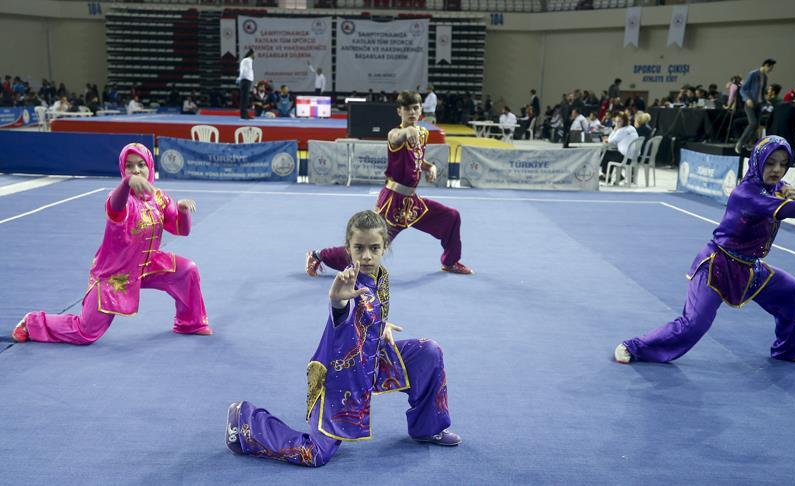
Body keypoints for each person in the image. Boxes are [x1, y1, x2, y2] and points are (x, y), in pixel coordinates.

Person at [226, 211, 461, 467]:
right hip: (339, 377)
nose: (367, 256)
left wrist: (381, 325)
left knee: (428, 351)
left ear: (385, 247)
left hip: (373, 362)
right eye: (359, 248)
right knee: (314, 454)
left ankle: (428, 427)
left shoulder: (381, 276)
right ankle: (245, 419)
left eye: (374, 248)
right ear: (348, 249)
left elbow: (370, 313)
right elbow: (341, 315)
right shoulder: (348, 284)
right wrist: (337, 300)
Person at [613, 136, 795, 366]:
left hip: (750, 268)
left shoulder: (776, 187)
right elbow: (787, 210)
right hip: (717, 266)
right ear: (757, 162)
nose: (777, 170)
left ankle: (790, 349)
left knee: (793, 291)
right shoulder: (746, 194)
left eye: (783, 164)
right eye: (770, 163)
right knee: (693, 325)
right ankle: (633, 346)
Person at [11, 143, 211, 344]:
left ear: (150, 166)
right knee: (86, 332)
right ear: (122, 169)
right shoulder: (119, 199)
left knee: (187, 270)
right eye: (129, 166)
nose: (136, 170)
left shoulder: (160, 198)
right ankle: (33, 322)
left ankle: (189, 322)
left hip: (149, 263)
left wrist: (183, 211)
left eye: (141, 164)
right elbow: (116, 206)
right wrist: (126, 184)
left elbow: (181, 230)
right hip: (116, 273)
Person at [306, 91, 473, 276]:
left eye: (415, 108)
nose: (412, 112)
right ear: (399, 111)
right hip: (392, 202)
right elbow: (397, 137)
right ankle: (318, 255)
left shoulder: (423, 133)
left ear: (420, 111)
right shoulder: (395, 133)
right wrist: (407, 131)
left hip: (412, 202)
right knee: (368, 245)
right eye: (407, 109)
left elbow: (417, 160)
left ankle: (451, 262)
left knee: (451, 216)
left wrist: (430, 167)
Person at [736, 59, 776, 154]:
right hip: (750, 103)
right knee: (753, 123)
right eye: (771, 68)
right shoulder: (753, 74)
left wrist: (766, 101)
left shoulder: (765, 77)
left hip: (759, 104)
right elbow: (743, 89)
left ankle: (750, 143)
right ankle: (740, 143)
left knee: (756, 125)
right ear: (766, 65)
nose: (771, 70)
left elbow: (762, 92)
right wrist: (747, 99)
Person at [237, 49, 255, 119]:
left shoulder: (250, 61)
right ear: (251, 54)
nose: (255, 55)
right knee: (244, 99)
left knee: (246, 99)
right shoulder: (246, 60)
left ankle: (245, 114)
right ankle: (243, 115)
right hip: (245, 80)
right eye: (254, 54)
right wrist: (240, 78)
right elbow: (243, 70)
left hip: (247, 80)